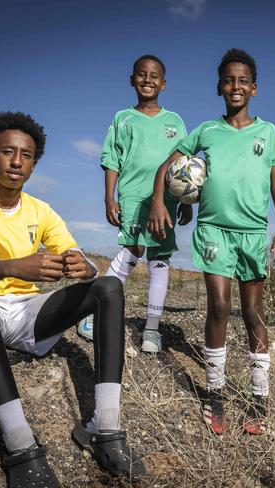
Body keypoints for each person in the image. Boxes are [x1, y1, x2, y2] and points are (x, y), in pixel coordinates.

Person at [0, 112, 145, 487]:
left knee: (109, 287)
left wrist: (85, 268)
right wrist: (10, 267)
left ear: (34, 162)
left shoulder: (40, 210)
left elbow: (76, 254)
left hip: (23, 314)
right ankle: (20, 445)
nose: (17, 162)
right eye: (7, 152)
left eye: (26, 155)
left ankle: (104, 428)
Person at [148, 48, 275, 435]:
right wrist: (161, 199)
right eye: (229, 80)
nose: (236, 86)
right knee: (220, 306)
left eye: (243, 80)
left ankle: (259, 399)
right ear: (219, 87)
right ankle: (215, 394)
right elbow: (168, 166)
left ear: (255, 88)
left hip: (252, 232)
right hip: (213, 229)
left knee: (253, 311)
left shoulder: (268, 131)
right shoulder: (206, 131)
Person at [77, 54, 191, 354]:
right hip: (132, 195)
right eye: (142, 74)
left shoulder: (174, 121)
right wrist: (108, 197)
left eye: (154, 76)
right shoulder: (122, 118)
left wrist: (186, 201)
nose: (148, 80)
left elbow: (184, 164)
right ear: (132, 80)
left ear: (163, 84)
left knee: (159, 257)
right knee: (131, 249)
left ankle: (151, 329)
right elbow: (111, 160)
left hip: (166, 200)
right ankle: (93, 313)